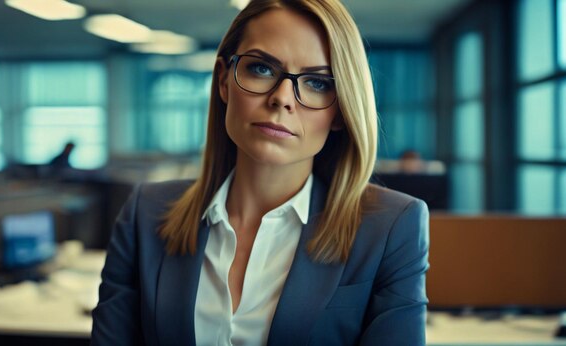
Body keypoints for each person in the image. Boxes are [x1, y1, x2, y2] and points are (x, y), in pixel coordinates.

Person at [91, 0, 429, 345]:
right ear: (224, 81)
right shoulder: (144, 213)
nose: (282, 98)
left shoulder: (391, 226)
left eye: (317, 82)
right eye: (262, 69)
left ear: (341, 110)